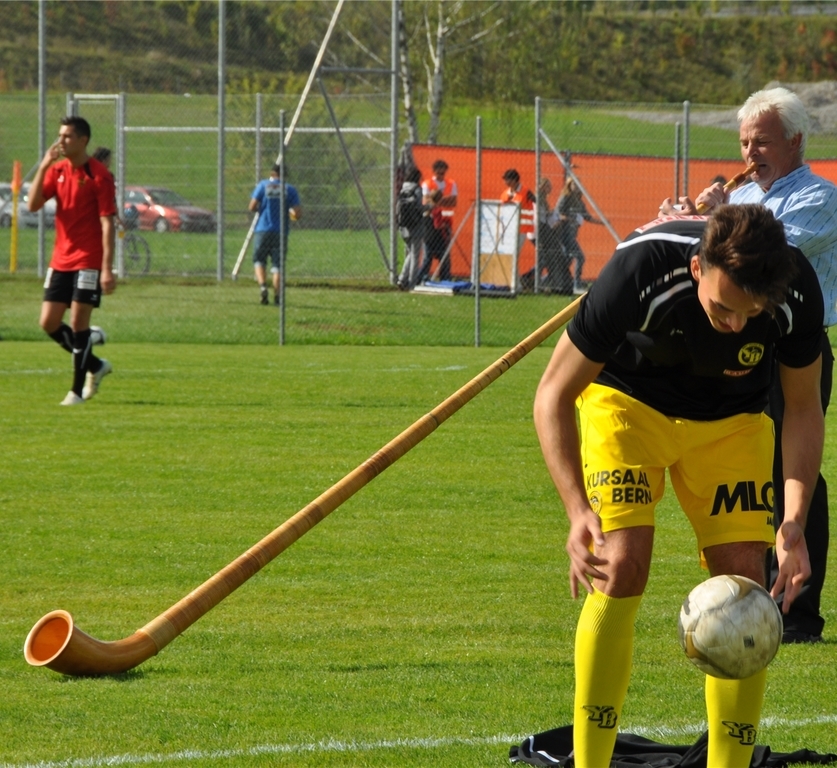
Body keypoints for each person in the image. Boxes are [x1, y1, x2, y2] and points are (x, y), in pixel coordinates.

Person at [533, 204, 824, 768]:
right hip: (627, 407)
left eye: (750, 314)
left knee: (746, 587)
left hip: (733, 424)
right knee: (620, 567)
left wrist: (792, 523)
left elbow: (804, 408)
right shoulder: (640, 267)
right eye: (723, 308)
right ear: (697, 269)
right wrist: (576, 509)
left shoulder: (793, 287)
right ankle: (590, 762)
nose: (736, 325)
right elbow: (552, 395)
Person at [661, 86, 837, 644]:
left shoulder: (819, 196)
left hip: (795, 345)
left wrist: (719, 218)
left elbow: (771, 249)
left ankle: (800, 612)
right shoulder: (745, 199)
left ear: (794, 141)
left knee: (794, 471)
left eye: (761, 141)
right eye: (743, 143)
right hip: (734, 340)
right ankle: (750, 597)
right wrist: (685, 222)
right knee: (742, 468)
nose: (750, 154)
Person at [29, 116, 116, 406]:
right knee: (49, 322)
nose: (61, 141)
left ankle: (76, 392)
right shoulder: (57, 171)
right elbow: (32, 204)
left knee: (79, 323)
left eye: (67, 136)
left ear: (83, 140)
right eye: (60, 135)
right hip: (61, 260)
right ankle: (95, 365)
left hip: (88, 261)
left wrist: (106, 268)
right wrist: (43, 166)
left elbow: (107, 224)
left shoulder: (99, 176)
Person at [249, 163, 301, 306]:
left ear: (272, 174)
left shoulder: (263, 186)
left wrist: (263, 208)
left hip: (263, 229)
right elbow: (297, 213)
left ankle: (263, 286)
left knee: (259, 259)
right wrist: (289, 213)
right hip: (280, 232)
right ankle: (277, 296)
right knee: (278, 265)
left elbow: (252, 206)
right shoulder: (289, 189)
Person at [556, 177, 603, 295]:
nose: (576, 187)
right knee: (580, 257)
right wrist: (571, 219)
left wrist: (602, 222)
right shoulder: (565, 198)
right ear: (569, 185)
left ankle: (551, 279)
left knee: (566, 260)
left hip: (573, 234)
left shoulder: (579, 201)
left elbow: (587, 216)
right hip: (564, 234)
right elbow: (557, 214)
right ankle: (576, 284)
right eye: (574, 185)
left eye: (578, 185)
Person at [417, 159, 457, 283]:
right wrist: (443, 200)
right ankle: (421, 277)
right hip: (431, 223)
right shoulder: (427, 184)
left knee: (445, 254)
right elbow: (426, 200)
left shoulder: (451, 183)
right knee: (428, 255)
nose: (441, 176)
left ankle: (445, 278)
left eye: (443, 173)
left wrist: (436, 200)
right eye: (439, 173)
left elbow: (454, 201)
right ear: (434, 172)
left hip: (445, 223)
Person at [536, 177, 573, 294]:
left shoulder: (543, 199)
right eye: (548, 186)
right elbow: (541, 216)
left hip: (545, 229)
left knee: (547, 257)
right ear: (542, 186)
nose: (550, 189)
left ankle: (546, 280)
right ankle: (538, 281)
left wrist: (552, 215)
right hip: (540, 230)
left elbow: (545, 214)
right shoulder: (538, 198)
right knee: (545, 257)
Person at [396, 166, 426, 291]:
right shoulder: (417, 190)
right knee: (415, 255)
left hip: (404, 226)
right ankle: (412, 283)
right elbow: (419, 207)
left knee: (410, 253)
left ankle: (402, 279)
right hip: (416, 226)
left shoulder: (403, 189)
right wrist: (430, 206)